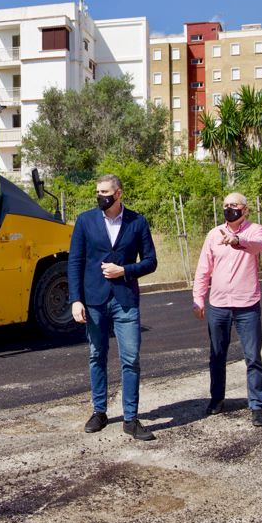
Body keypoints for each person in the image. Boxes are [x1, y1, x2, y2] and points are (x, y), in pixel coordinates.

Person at [69, 174, 158, 441]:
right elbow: (75, 261)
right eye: (97, 192)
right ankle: (99, 412)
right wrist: (76, 299)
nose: (100, 197)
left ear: (118, 194)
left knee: (130, 359)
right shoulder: (85, 221)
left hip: (125, 301)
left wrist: (125, 270)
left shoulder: (137, 222)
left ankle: (131, 419)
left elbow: (151, 261)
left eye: (105, 192)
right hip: (94, 301)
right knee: (97, 355)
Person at [192, 192, 262, 427]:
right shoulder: (214, 234)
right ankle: (217, 399)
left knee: (253, 357)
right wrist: (198, 298)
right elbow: (204, 268)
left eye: (234, 205)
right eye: (226, 205)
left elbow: (258, 246)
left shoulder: (255, 230)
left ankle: (257, 406)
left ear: (245, 209)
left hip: (247, 305)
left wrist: (237, 240)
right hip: (218, 305)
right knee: (217, 355)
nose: (229, 209)